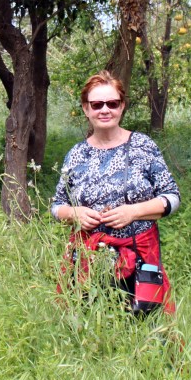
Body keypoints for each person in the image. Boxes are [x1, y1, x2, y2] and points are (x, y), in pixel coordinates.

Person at [51, 70, 179, 314]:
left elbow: (172, 198)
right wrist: (73, 213)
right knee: (91, 330)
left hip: (140, 259)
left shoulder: (143, 146)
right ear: (86, 109)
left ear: (122, 107)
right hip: (89, 260)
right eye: (97, 104)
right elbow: (57, 205)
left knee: (144, 328)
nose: (105, 110)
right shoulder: (76, 154)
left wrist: (134, 212)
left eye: (112, 103)